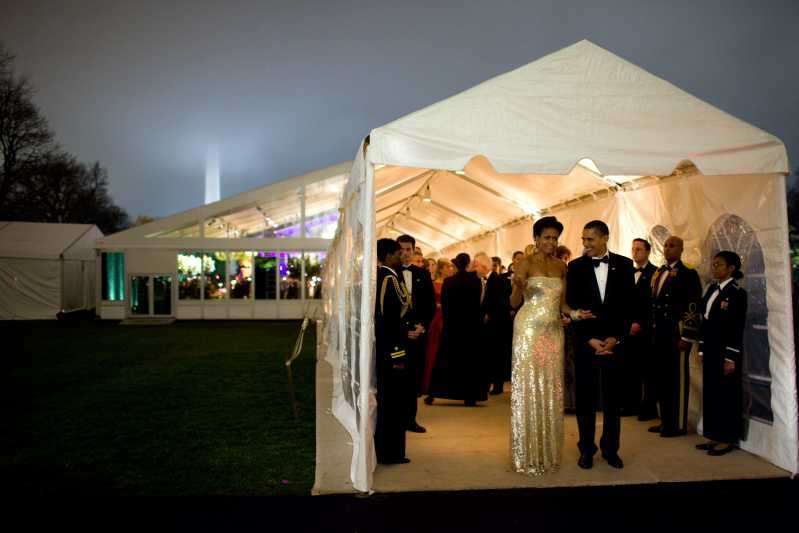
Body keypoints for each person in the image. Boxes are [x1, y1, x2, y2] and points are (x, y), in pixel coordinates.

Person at [510, 216, 592, 475]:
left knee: (550, 388)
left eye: (555, 238)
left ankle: (548, 452)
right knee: (529, 387)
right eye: (547, 237)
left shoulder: (561, 266)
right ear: (536, 238)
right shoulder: (524, 263)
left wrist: (576, 314)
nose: (551, 242)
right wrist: (517, 287)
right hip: (527, 331)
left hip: (554, 332)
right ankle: (527, 453)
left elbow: (562, 305)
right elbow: (514, 303)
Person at [566, 220, 635, 470]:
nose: (585, 244)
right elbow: (571, 308)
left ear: (605, 237)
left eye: (590, 239)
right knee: (585, 400)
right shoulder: (575, 267)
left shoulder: (625, 265)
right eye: (583, 239)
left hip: (614, 344)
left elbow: (629, 307)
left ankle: (610, 449)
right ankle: (586, 450)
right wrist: (589, 339)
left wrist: (617, 338)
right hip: (587, 344)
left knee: (613, 402)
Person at [648, 236, 702, 438]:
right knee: (662, 378)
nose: (668, 248)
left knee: (676, 379)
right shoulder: (659, 271)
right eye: (666, 245)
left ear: (681, 249)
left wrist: (687, 335)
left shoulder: (688, 274)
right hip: (659, 332)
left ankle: (677, 424)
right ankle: (666, 420)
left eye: (672, 246)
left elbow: (693, 305)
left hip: (676, 332)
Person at [696, 251, 747, 456]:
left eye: (719, 264)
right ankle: (713, 435)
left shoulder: (737, 293)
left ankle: (727, 439)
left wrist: (730, 357)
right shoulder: (711, 289)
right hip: (710, 348)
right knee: (711, 393)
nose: (714, 267)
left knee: (726, 394)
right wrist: (701, 348)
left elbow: (736, 327)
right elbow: (704, 322)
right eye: (713, 264)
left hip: (725, 351)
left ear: (731, 268)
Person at [427, 252, 487, 406]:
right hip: (471, 327)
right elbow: (478, 305)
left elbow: (445, 305)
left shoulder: (448, 282)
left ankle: (435, 393)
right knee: (469, 362)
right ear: (468, 264)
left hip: (452, 326)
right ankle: (470, 396)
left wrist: (448, 321)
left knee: (446, 360)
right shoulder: (475, 281)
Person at [374, 238, 412, 465]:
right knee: (393, 401)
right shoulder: (388, 278)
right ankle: (391, 452)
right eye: (398, 253)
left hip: (388, 346)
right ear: (388, 255)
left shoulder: (385, 276)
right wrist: (397, 353)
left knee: (391, 400)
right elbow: (390, 320)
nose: (402, 256)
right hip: (392, 349)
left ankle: (390, 450)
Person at [397, 235, 436, 433]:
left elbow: (430, 305)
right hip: (397, 336)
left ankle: (411, 419)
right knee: (398, 377)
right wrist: (403, 330)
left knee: (413, 377)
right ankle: (396, 420)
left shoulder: (422, 274)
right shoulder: (389, 273)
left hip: (418, 335)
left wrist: (422, 326)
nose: (405, 253)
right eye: (401, 250)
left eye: (408, 250)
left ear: (413, 251)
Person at [624, 238, 659, 420]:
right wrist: (627, 323)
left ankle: (648, 408)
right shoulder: (627, 272)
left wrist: (641, 323)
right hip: (628, 328)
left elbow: (653, 303)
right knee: (630, 368)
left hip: (646, 330)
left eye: (639, 249)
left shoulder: (656, 273)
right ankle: (631, 404)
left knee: (648, 371)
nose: (635, 252)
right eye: (633, 249)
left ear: (647, 252)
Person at [475, 252, 512, 396]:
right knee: (489, 355)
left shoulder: (498, 280)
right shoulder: (482, 280)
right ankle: (488, 384)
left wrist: (489, 314)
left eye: (477, 266)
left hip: (497, 325)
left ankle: (498, 385)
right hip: (487, 324)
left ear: (484, 266)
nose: (475, 269)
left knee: (497, 355)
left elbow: (503, 302)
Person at [422, 258, 452, 399]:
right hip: (436, 318)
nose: (450, 269)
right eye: (447, 267)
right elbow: (429, 301)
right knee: (433, 348)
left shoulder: (450, 283)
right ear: (441, 269)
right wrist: (437, 305)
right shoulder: (433, 284)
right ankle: (428, 383)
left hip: (447, 317)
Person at [555, 244, 576, 413]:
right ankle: (560, 401)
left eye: (567, 259)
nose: (565, 262)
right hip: (554, 323)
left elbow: (572, 300)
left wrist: (570, 317)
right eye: (563, 258)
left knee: (570, 365)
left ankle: (571, 401)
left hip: (570, 324)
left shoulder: (570, 275)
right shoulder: (552, 275)